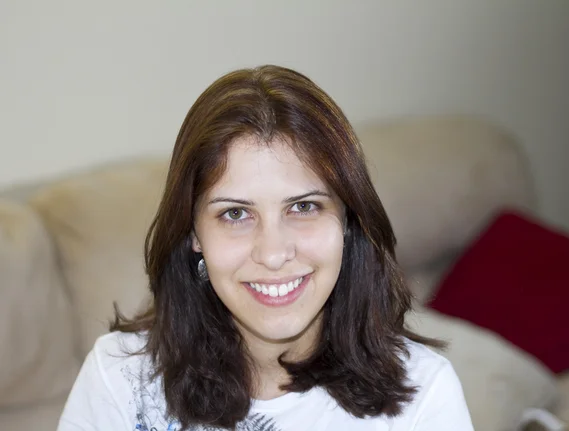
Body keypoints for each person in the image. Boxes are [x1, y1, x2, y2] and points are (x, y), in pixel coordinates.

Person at [57, 65, 473, 431]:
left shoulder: (423, 395)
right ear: (192, 234)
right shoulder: (119, 376)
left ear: (348, 220)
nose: (273, 254)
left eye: (304, 206)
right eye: (236, 214)